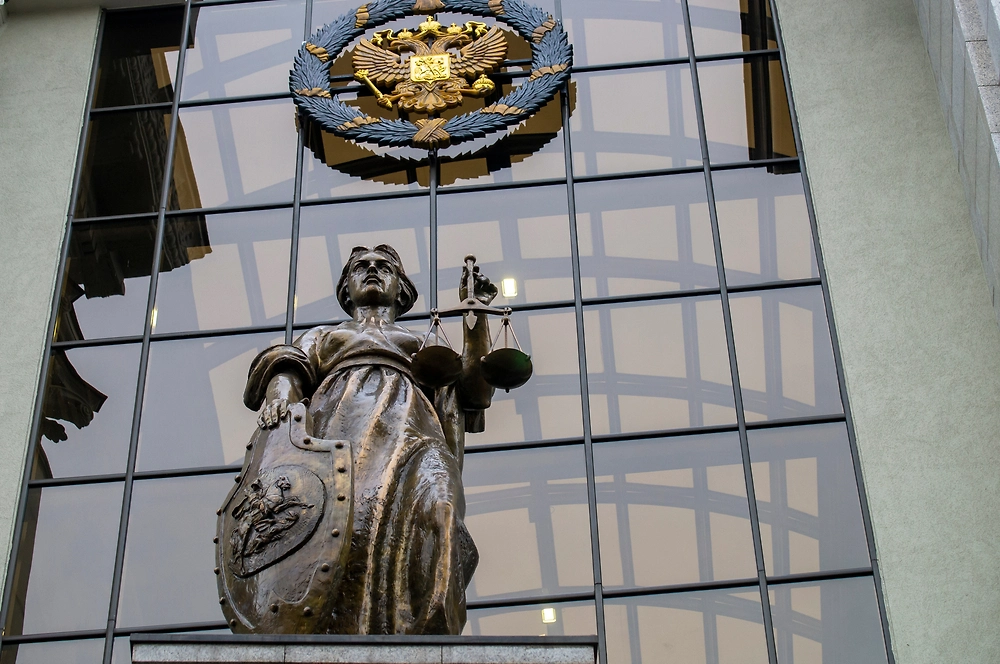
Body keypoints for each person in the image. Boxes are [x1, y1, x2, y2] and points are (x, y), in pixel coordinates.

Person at [241, 244, 497, 635]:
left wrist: (475, 320)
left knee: (440, 509)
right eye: (361, 267)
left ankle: (429, 632)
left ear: (401, 289)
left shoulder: (423, 343)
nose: (372, 270)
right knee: (349, 532)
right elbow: (287, 366)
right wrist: (280, 396)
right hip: (340, 441)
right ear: (346, 289)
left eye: (384, 267)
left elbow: (473, 392)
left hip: (415, 441)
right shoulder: (326, 336)